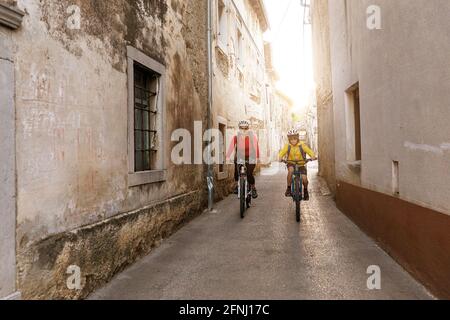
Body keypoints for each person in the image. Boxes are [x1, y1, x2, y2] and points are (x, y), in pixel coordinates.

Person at [279, 129, 317, 201]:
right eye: (291, 139)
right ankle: (289, 188)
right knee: (290, 171)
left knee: (304, 179)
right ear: (289, 140)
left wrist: (313, 156)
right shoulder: (288, 146)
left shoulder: (302, 145)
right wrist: (280, 158)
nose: (293, 141)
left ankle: (305, 191)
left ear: (297, 138)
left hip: (301, 164)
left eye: (294, 139)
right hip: (291, 163)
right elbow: (282, 152)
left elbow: (309, 151)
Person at [226, 120, 260, 199]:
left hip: (251, 156)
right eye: (242, 128)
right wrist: (227, 157)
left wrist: (257, 158)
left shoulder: (252, 137)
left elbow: (256, 147)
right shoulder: (236, 137)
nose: (243, 130)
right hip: (240, 156)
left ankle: (253, 188)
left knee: (249, 173)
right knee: (237, 170)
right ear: (239, 129)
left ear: (248, 129)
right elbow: (231, 147)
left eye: (245, 128)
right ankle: (237, 185)